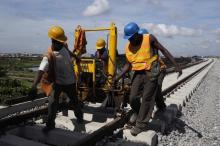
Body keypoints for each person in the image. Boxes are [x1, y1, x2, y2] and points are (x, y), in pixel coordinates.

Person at [114, 22, 182, 136]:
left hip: (151, 73)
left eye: (131, 37)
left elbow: (163, 50)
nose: (129, 40)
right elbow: (128, 64)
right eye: (128, 38)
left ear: (137, 34)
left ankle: (140, 124)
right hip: (137, 74)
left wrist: (176, 65)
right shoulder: (128, 47)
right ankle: (140, 112)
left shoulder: (149, 38)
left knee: (147, 98)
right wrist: (117, 77)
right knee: (132, 98)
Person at [29, 26, 83, 132]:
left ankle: (79, 117)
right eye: (59, 41)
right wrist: (34, 86)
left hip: (71, 81)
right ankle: (50, 124)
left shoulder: (64, 45)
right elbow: (40, 71)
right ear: (53, 41)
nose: (62, 43)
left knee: (75, 101)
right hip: (58, 83)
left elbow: (68, 51)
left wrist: (76, 57)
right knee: (53, 103)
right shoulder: (48, 55)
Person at [138, 28, 167, 112]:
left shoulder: (151, 46)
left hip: (160, 69)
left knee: (156, 87)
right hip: (151, 70)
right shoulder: (143, 48)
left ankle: (161, 106)